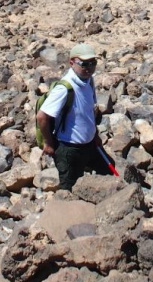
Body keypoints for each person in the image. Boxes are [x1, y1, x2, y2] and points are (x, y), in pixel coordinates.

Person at [36, 42, 113, 190]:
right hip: (69, 149)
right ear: (72, 63)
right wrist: (48, 143)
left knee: (109, 171)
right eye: (84, 64)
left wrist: (95, 134)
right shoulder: (64, 88)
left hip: (90, 144)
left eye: (93, 63)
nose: (89, 68)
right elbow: (42, 116)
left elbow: (89, 111)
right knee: (69, 188)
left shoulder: (89, 80)